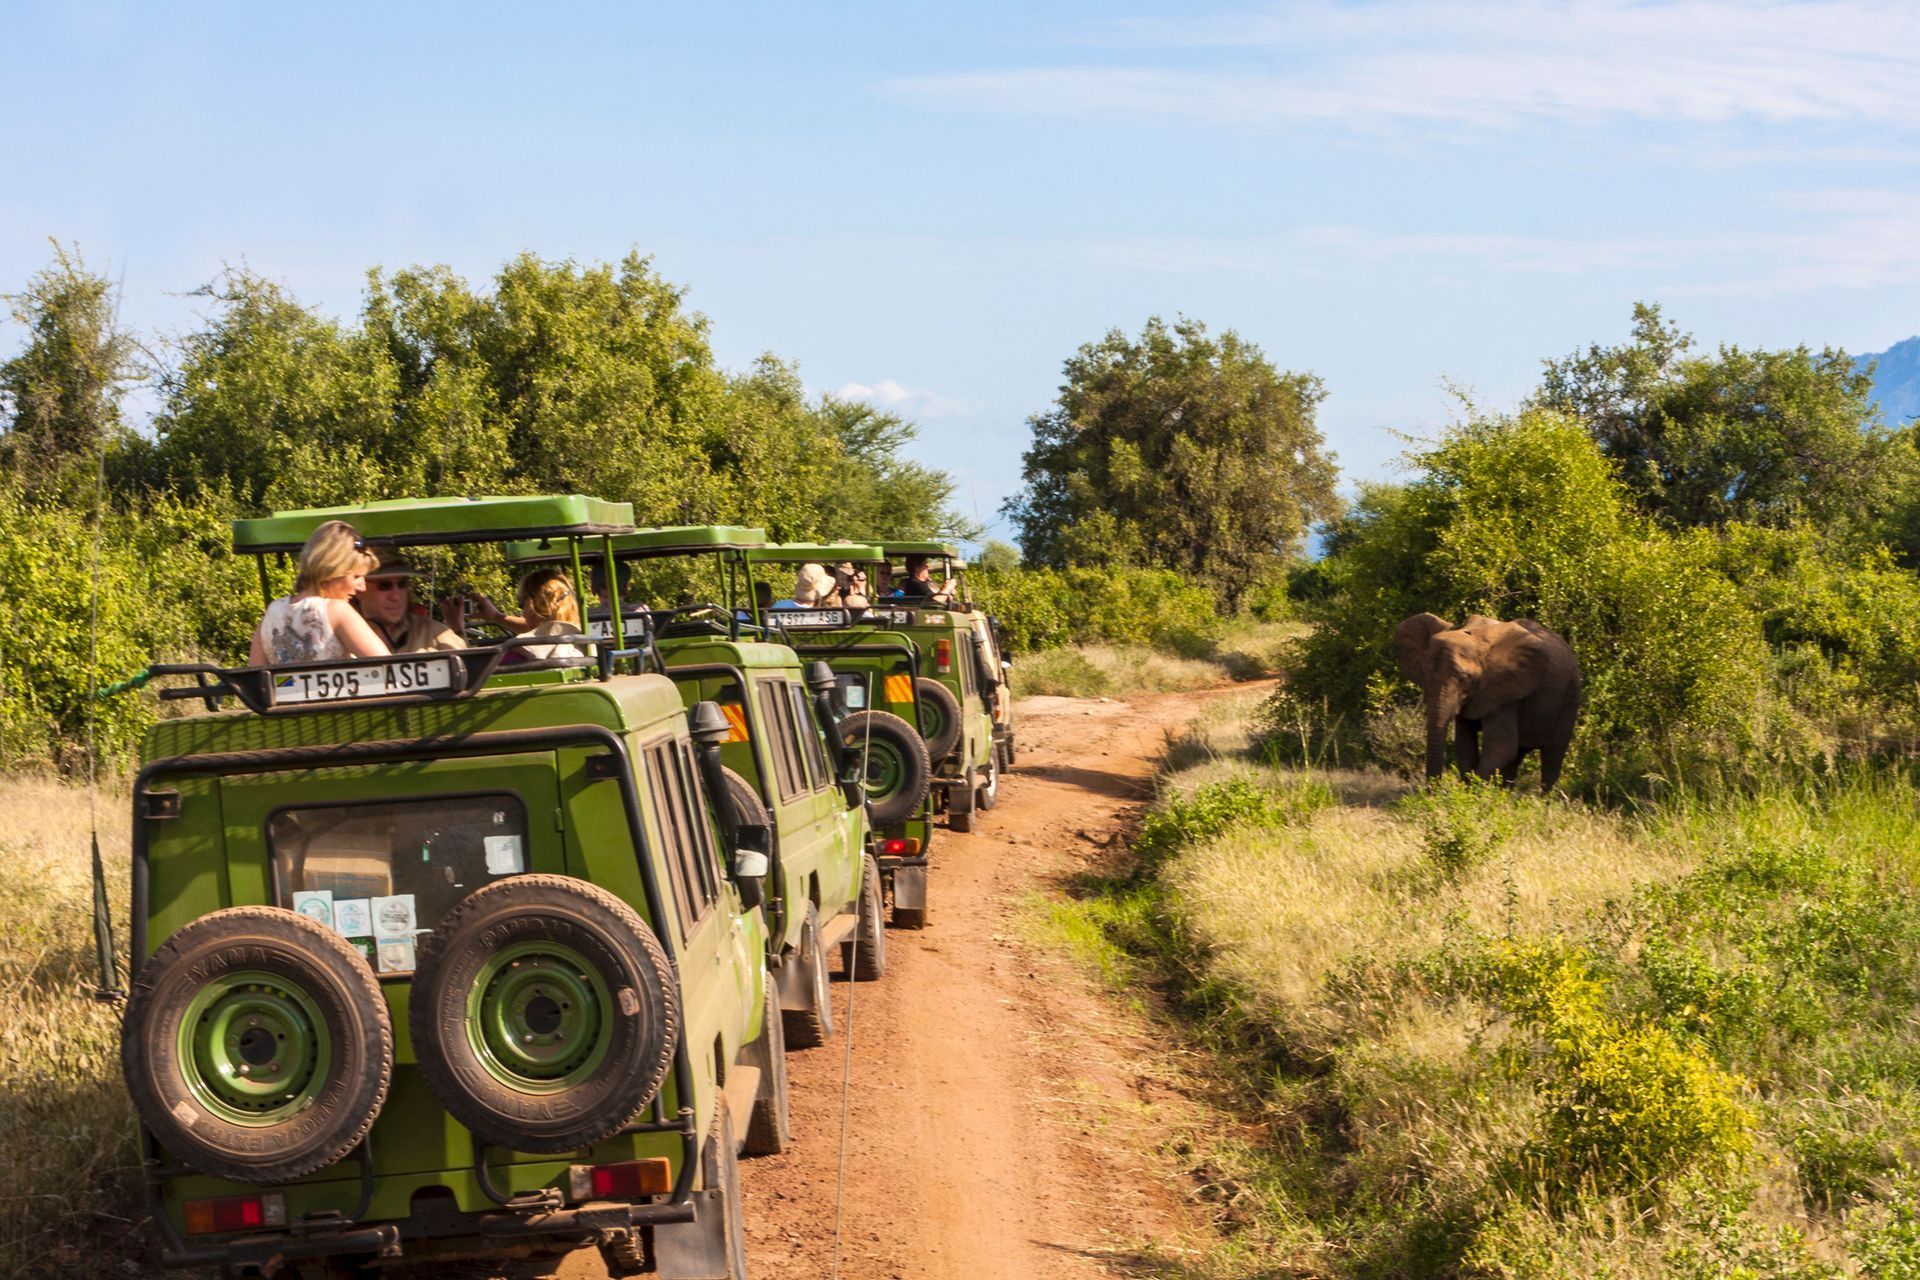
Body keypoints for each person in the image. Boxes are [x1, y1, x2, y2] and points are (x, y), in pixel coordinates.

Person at [250, 521, 390, 664]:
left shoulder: (271, 615)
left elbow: (254, 674)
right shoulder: (337, 611)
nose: (362, 587)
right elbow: (390, 667)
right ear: (332, 571)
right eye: (356, 577)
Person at [356, 550, 465, 653]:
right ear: (359, 588)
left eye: (402, 584)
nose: (396, 596)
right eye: (384, 585)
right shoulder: (345, 641)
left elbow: (466, 664)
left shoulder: (436, 636)